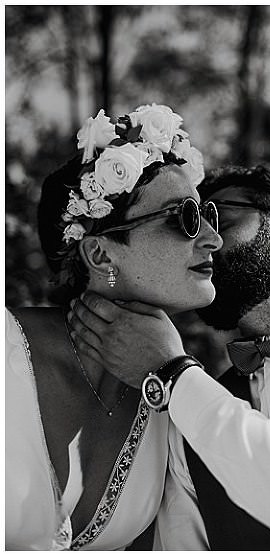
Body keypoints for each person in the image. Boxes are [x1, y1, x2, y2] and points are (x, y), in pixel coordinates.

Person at [67, 166, 270, 549]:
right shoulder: (190, 409)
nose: (204, 239)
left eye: (217, 217)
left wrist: (175, 374)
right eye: (187, 223)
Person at [6, 105, 215, 549]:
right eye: (186, 218)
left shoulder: (171, 400)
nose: (213, 238)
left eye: (209, 214)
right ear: (100, 255)